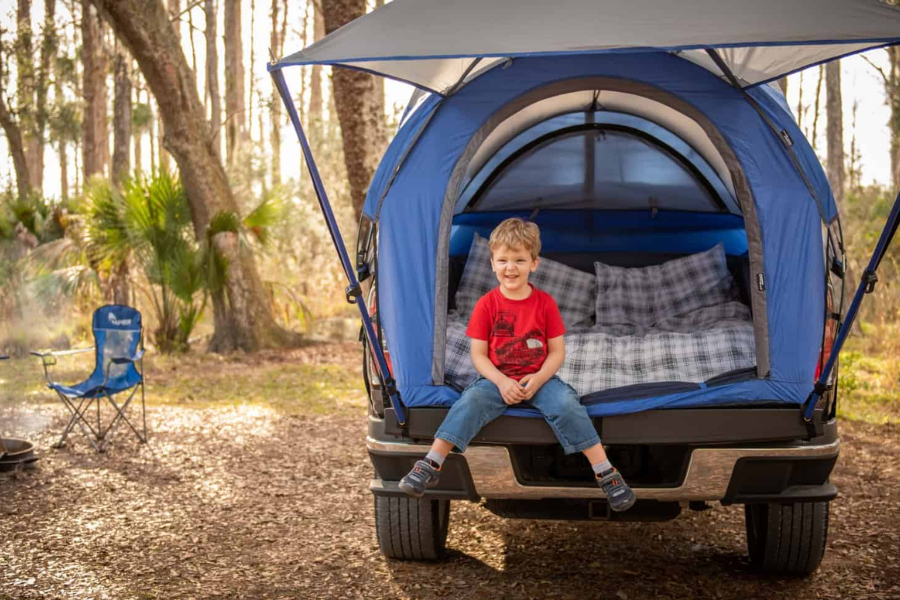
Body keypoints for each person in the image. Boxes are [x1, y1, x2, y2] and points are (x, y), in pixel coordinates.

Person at [399, 218, 636, 512]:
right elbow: (479, 356)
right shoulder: (486, 305)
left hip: (539, 378)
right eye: (503, 260)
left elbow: (557, 353)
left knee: (567, 404)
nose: (511, 267)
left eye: (519, 260)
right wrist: (501, 382)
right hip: (497, 379)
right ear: (492, 264)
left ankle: (606, 473)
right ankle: (431, 463)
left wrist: (538, 380)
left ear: (534, 263)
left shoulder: (545, 304)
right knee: (469, 401)